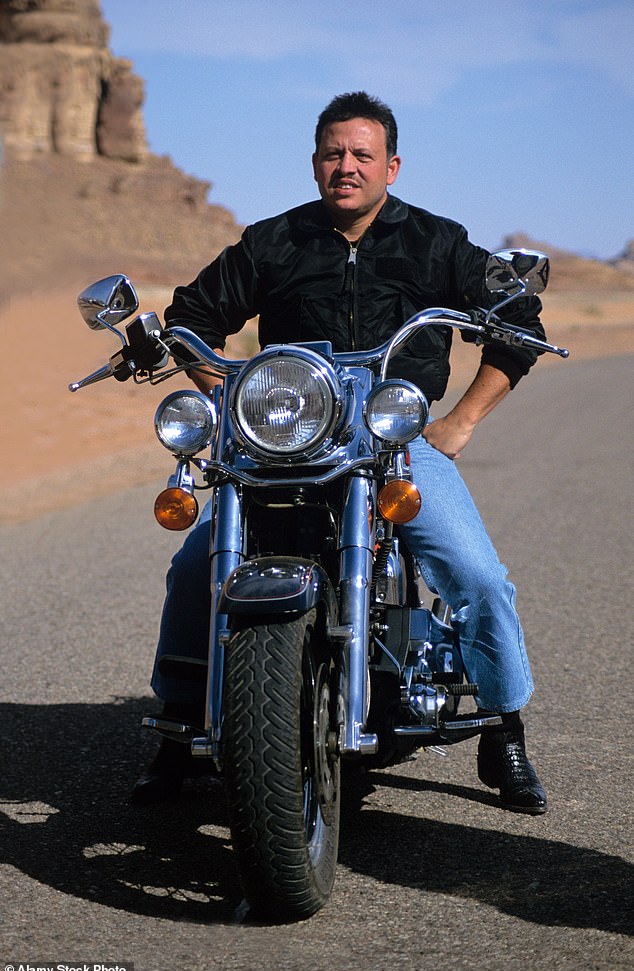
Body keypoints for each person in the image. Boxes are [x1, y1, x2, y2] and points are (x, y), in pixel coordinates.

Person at [132, 91, 548, 815]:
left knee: (476, 576)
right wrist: (232, 395)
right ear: (316, 162)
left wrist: (461, 422)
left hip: (398, 444)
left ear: (391, 164)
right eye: (333, 153)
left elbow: (519, 321)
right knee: (194, 567)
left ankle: (503, 726)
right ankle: (178, 727)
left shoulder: (436, 242)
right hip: (289, 445)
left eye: (361, 155)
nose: (346, 167)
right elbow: (191, 318)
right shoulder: (274, 241)